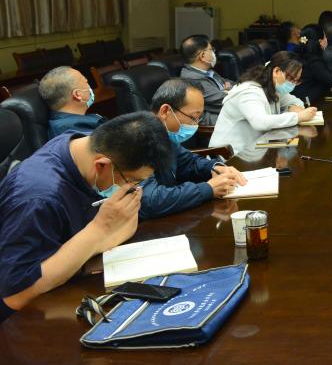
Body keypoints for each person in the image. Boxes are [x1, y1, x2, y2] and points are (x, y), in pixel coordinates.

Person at [0, 112, 174, 322]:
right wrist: (99, 230)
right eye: (131, 180)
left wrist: (104, 235)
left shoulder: (81, 144)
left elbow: (124, 229)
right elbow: (14, 296)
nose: (132, 188)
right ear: (102, 165)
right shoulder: (37, 199)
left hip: (73, 278)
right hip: (26, 319)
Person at [140, 79, 248, 219]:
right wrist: (208, 189)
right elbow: (149, 201)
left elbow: (189, 162)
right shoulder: (136, 140)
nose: (195, 125)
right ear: (165, 111)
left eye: (198, 118)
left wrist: (214, 168)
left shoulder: (165, 135)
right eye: (193, 117)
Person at [208, 51, 317, 155]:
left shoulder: (273, 86)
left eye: (296, 81)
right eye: (291, 78)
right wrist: (298, 117)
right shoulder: (249, 92)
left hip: (254, 149)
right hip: (228, 155)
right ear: (276, 71)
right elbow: (260, 122)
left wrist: (292, 107)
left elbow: (296, 101)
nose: (292, 84)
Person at [292, 24, 332, 104]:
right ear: (320, 42)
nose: (326, 39)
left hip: (302, 98)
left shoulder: (302, 54)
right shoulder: (313, 60)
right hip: (305, 102)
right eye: (325, 37)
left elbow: (323, 77)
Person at [179, 34, 232, 126]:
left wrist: (228, 90)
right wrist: (228, 92)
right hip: (218, 123)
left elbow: (231, 83)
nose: (214, 53)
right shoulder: (193, 79)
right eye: (211, 50)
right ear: (202, 55)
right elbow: (227, 100)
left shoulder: (207, 72)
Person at [39, 66, 106, 139]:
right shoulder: (73, 132)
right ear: (78, 95)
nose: (90, 87)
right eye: (86, 82)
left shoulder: (66, 123)